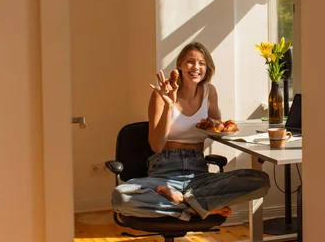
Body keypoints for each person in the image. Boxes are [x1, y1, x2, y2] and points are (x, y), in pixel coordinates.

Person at [111, 42, 270, 221]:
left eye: (201, 63)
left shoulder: (209, 92)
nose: (196, 67)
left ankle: (188, 203)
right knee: (121, 197)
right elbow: (156, 146)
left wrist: (223, 127)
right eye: (190, 62)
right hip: (164, 173)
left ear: (207, 67)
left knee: (260, 181)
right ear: (179, 64)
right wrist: (169, 105)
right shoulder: (161, 94)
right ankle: (195, 207)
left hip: (198, 174)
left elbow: (218, 128)